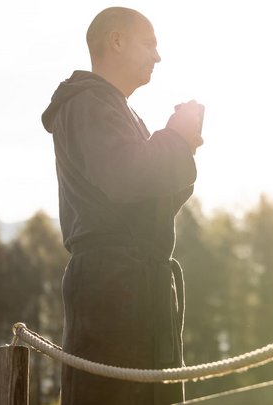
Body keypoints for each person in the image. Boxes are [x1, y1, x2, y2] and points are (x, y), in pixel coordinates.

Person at [41, 7, 204, 405]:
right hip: (113, 288)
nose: (157, 56)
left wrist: (181, 145)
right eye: (149, 43)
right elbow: (124, 177)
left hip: (136, 286)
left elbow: (146, 204)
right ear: (116, 41)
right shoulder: (87, 103)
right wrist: (174, 140)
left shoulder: (117, 109)